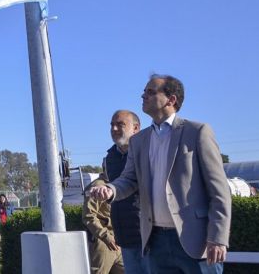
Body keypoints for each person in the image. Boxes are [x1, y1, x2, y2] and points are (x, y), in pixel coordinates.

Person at [90, 74, 231, 274]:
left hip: (195, 241)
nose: (143, 96)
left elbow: (219, 191)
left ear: (171, 100)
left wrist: (218, 238)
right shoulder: (139, 141)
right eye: (144, 92)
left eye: (150, 91)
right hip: (155, 242)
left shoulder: (197, 132)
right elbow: (129, 179)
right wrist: (111, 190)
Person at [104, 110, 149, 274]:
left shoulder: (148, 151)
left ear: (136, 128)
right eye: (112, 125)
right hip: (124, 236)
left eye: (120, 124)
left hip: (148, 235)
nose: (114, 129)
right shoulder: (110, 158)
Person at [83, 175, 125, 274]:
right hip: (103, 242)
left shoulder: (117, 185)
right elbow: (88, 216)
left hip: (119, 241)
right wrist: (105, 236)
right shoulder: (97, 186)